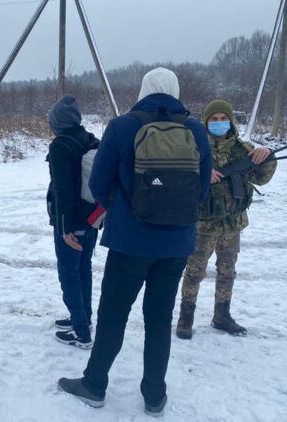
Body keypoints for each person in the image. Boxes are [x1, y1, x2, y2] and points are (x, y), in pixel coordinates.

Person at [57, 67, 212, 417]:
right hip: (176, 245)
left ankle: (94, 385)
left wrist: (123, 211)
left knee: (113, 315)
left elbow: (98, 183)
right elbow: (202, 188)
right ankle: (154, 395)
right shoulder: (195, 131)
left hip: (129, 243)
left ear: (143, 91)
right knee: (159, 318)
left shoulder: (122, 127)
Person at [176, 99, 277, 339]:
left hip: (233, 224)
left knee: (227, 271)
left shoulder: (243, 150)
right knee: (194, 272)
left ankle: (222, 315)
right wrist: (202, 173)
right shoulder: (194, 148)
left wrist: (267, 156)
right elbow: (179, 178)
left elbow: (260, 179)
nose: (219, 123)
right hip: (203, 225)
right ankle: (186, 317)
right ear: (206, 122)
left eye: (224, 119)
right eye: (214, 119)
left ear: (230, 121)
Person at [45, 95, 100, 349]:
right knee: (83, 270)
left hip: (71, 224)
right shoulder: (90, 139)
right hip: (91, 219)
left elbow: (63, 190)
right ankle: (83, 318)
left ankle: (81, 332)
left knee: (69, 275)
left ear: (57, 122)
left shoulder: (61, 146)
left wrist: (65, 229)